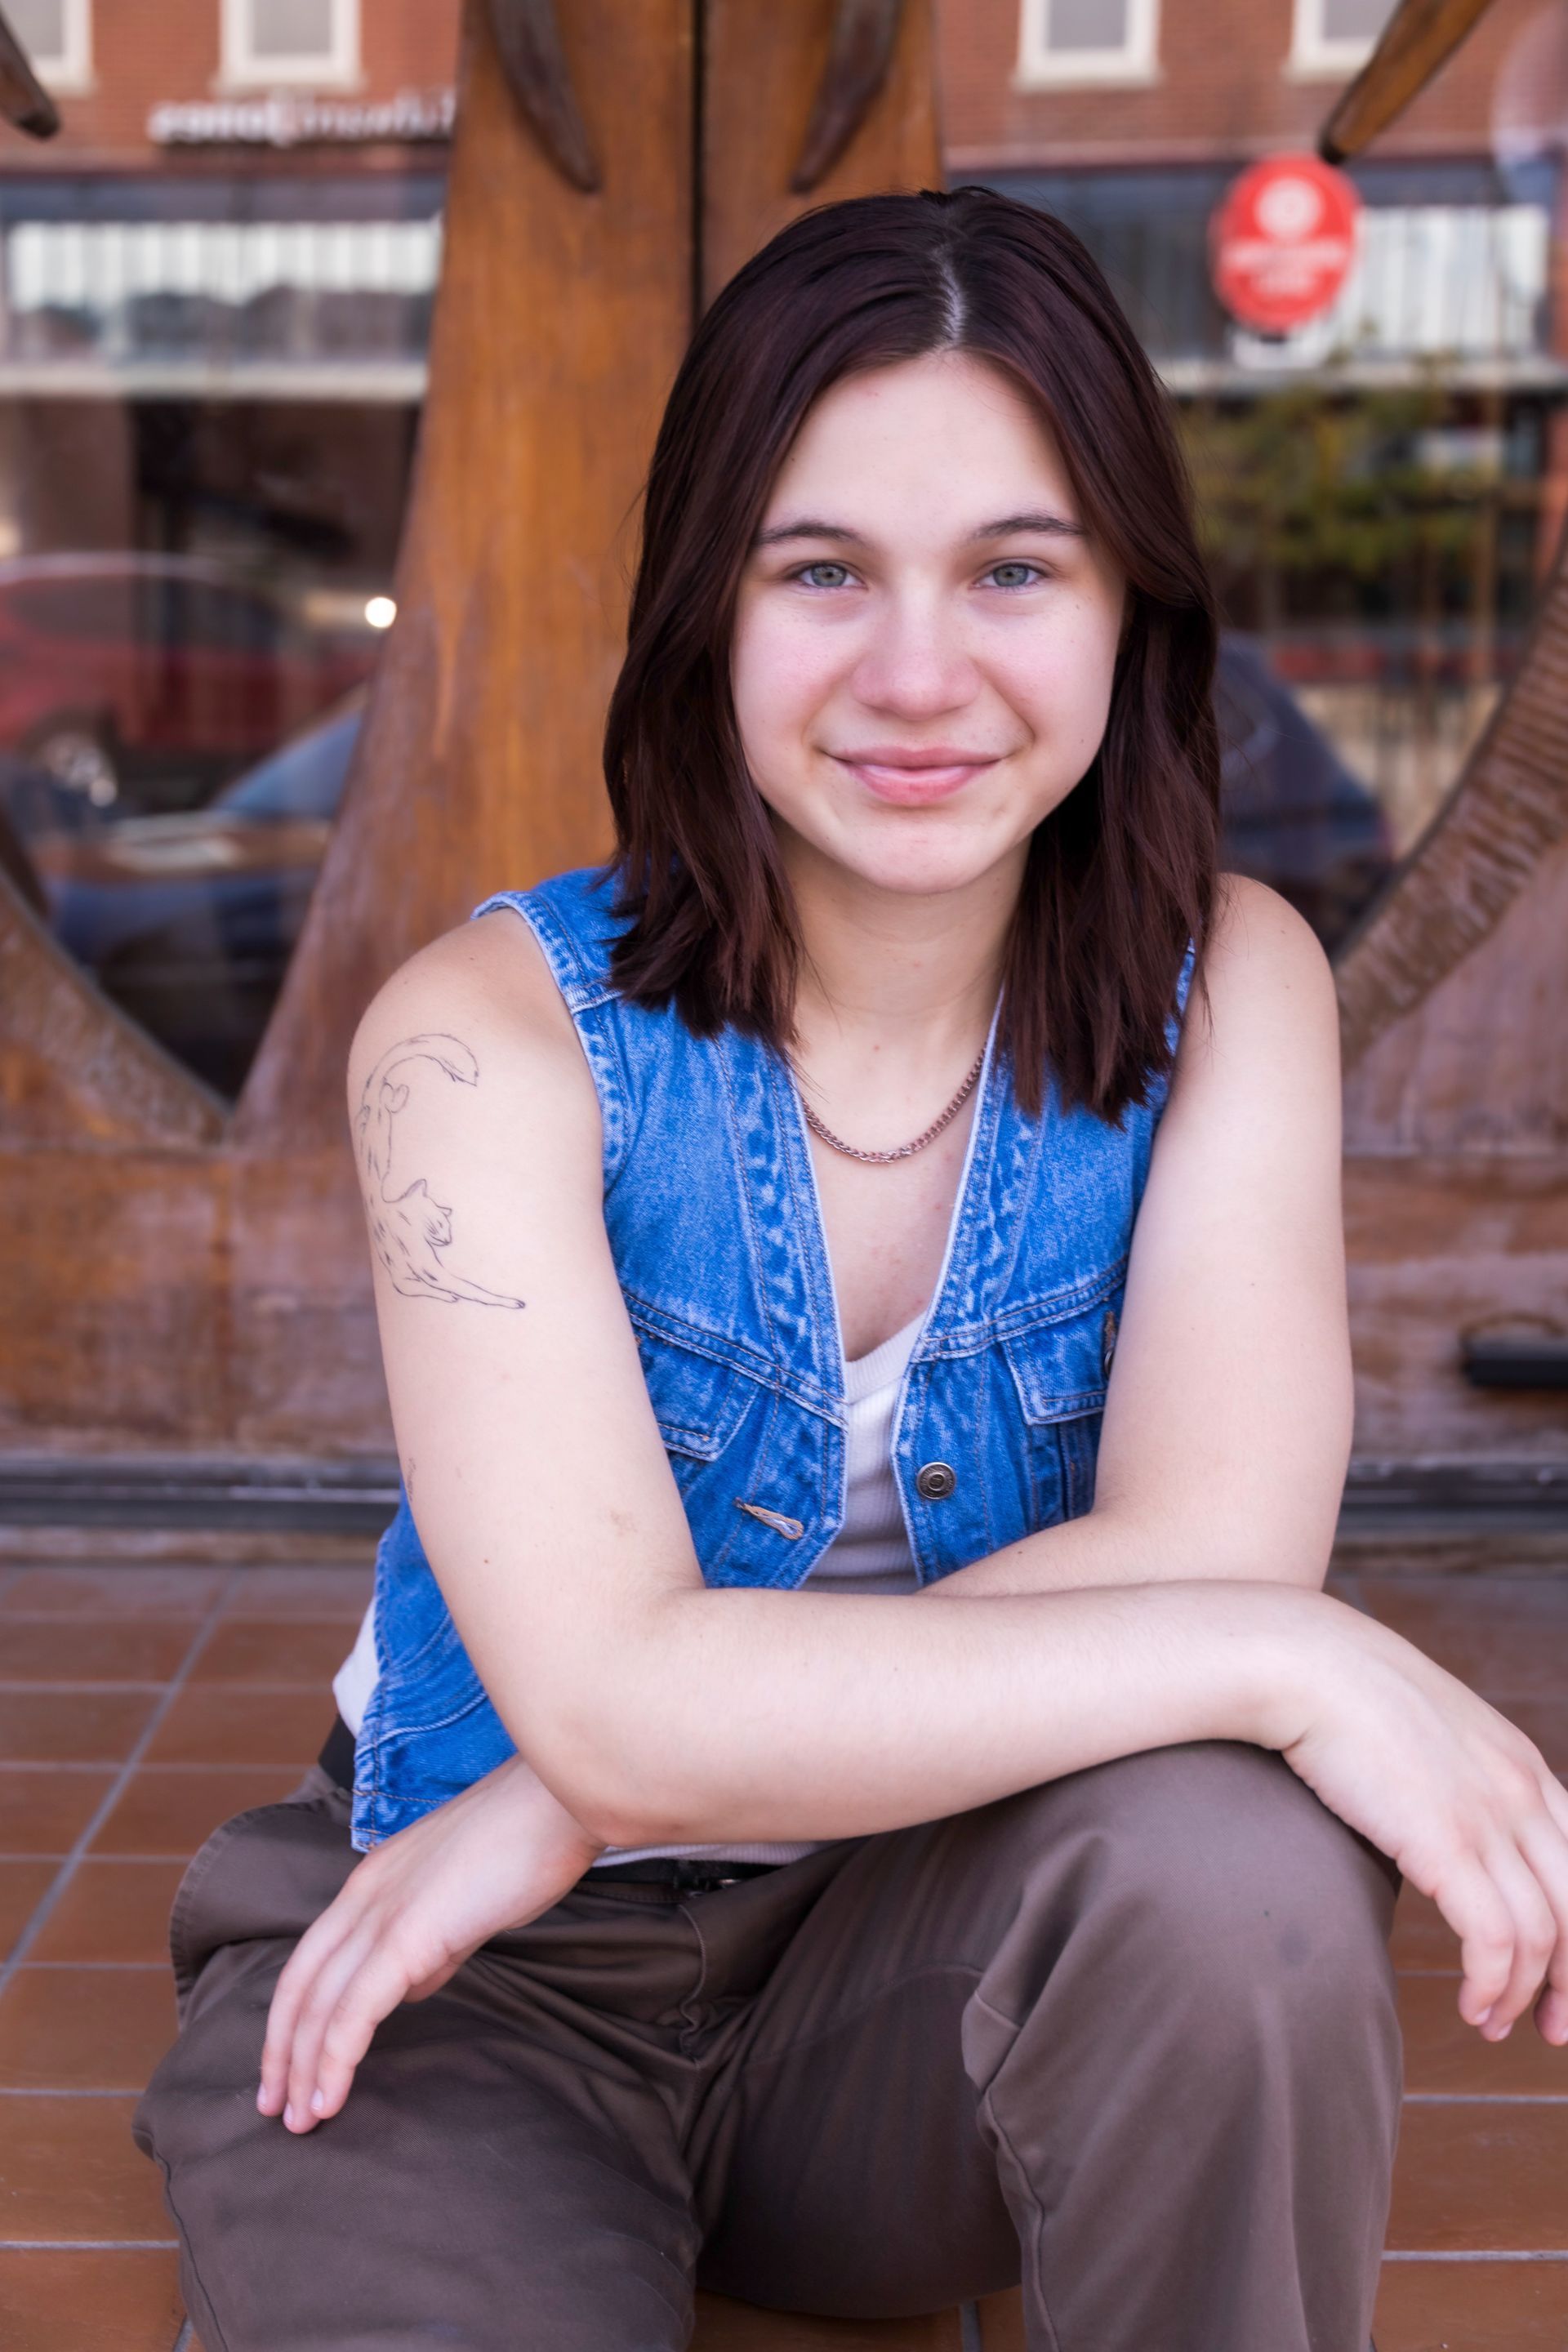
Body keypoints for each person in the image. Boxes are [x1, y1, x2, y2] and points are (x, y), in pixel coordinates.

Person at [135, 188, 1568, 2352]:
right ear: (707, 607)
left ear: (1128, 615)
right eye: (822, 572)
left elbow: (1219, 1542)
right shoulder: (481, 1042)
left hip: (919, 1968)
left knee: (1231, 1875)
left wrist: (577, 1793)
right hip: (469, 1977)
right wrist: (1301, 1666)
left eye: (1013, 567)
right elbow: (627, 1693)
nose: (921, 675)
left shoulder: (1231, 988)